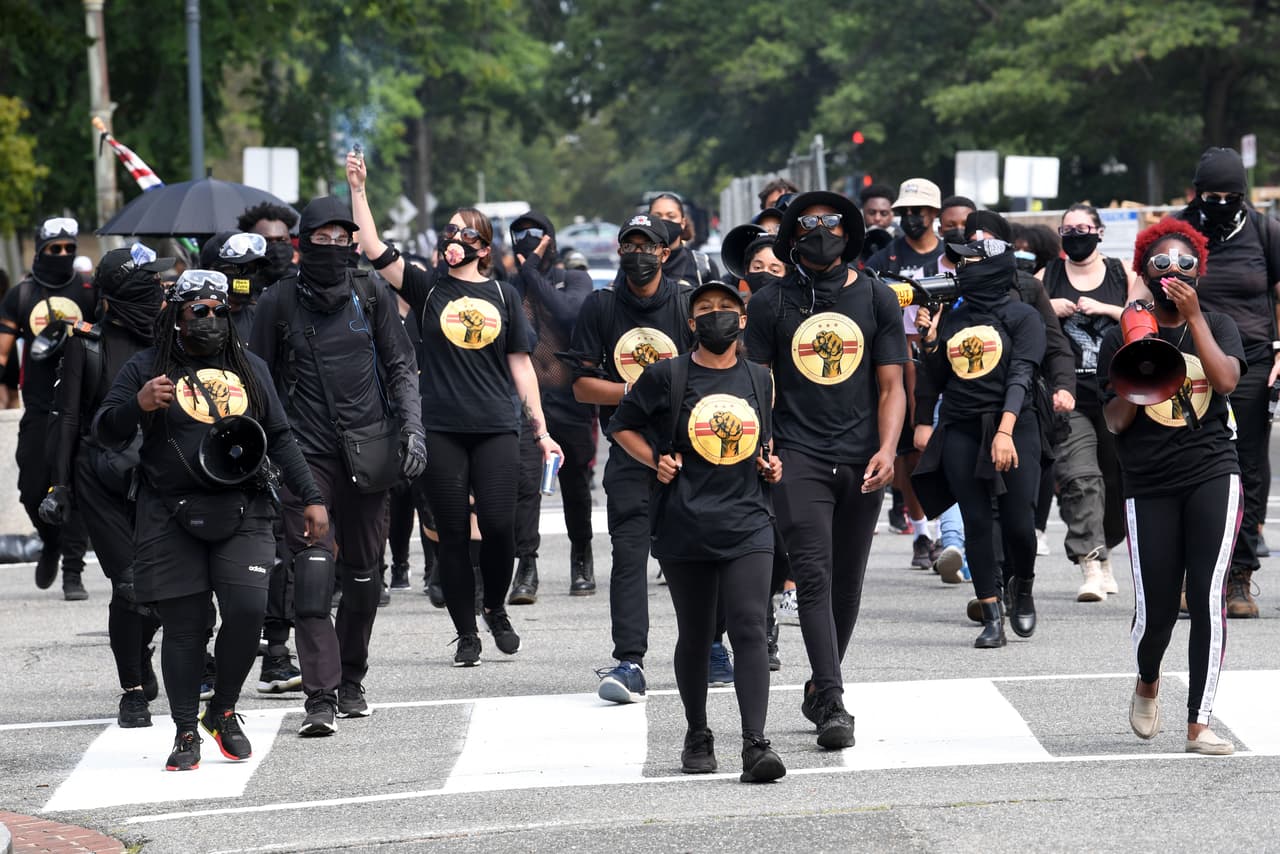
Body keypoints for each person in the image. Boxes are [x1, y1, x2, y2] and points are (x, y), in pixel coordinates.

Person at [93, 269, 329, 771]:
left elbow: (281, 437)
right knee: (186, 625)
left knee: (246, 611)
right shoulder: (145, 369)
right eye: (197, 310)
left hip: (243, 507)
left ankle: (222, 710)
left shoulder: (250, 368)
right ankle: (184, 730)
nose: (209, 319)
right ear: (176, 317)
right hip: (168, 512)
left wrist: (311, 495)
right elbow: (104, 431)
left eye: (218, 310)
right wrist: (136, 407)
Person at [344, 152, 560, 668]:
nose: (451, 239)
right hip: (441, 428)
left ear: (483, 247)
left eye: (463, 232)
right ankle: (467, 632)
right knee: (454, 537)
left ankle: (495, 608)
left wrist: (541, 431)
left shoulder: (504, 295)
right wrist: (358, 188)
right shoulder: (427, 287)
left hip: (495, 427)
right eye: (448, 231)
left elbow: (522, 366)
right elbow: (372, 247)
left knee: (501, 527)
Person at [251, 194, 425, 733]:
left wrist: (413, 429)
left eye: (341, 238)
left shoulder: (370, 292)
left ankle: (352, 680)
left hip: (370, 453)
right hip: (305, 459)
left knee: (364, 577)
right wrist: (267, 459)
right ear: (304, 245)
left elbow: (400, 366)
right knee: (312, 574)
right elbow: (259, 383)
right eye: (321, 238)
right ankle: (319, 698)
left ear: (353, 243)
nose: (332, 248)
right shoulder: (278, 302)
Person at [746, 190, 907, 748]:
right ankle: (835, 704)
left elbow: (892, 385)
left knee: (847, 583)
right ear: (792, 237)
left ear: (850, 232)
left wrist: (888, 450)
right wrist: (766, 446)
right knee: (813, 573)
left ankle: (819, 681)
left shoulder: (877, 297)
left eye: (832, 222)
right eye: (809, 224)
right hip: (799, 456)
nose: (822, 230)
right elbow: (757, 384)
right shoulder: (770, 304)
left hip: (863, 456)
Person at [609, 279, 786, 782]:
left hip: (749, 519)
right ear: (691, 324)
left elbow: (768, 441)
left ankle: (756, 742)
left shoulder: (760, 379)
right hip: (686, 521)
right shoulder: (667, 375)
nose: (716, 316)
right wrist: (655, 461)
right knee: (698, 631)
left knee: (751, 625)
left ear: (743, 320)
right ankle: (698, 732)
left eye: (726, 309)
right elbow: (620, 424)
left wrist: (774, 467)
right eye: (705, 310)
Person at [1096, 217, 1244, 755]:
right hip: (1148, 482)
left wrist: (1194, 318)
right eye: (1162, 263)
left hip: (1212, 471)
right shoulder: (1125, 330)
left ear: (1200, 272)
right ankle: (1147, 679)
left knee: (1206, 597)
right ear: (1144, 270)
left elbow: (1225, 381)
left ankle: (1198, 724)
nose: (1175, 270)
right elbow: (1114, 421)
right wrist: (1138, 359)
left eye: (1186, 264)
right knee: (1157, 610)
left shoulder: (1219, 323)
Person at [567, 214, 696, 704]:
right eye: (629, 246)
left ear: (666, 252)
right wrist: (639, 390)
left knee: (700, 554)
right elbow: (580, 386)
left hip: (687, 452)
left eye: (648, 246)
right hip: (625, 449)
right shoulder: (600, 306)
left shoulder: (686, 302)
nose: (638, 254)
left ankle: (711, 644)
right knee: (629, 557)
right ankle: (630, 662)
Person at [42, 244, 170, 726]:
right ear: (120, 294)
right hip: (100, 477)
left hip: (157, 478)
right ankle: (132, 688)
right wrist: (59, 487)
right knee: (130, 585)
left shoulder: (169, 338)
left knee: (161, 588)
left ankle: (143, 647)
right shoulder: (87, 342)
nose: (158, 291)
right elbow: (67, 417)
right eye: (148, 284)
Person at [912, 227, 1045, 648]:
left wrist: (1005, 431)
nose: (957, 269)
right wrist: (930, 342)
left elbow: (1022, 375)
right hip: (961, 426)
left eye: (967, 263)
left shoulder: (1023, 316)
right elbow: (935, 379)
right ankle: (991, 613)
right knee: (976, 522)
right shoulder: (951, 315)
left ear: (993, 268)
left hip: (1014, 425)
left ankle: (1020, 588)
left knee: (1020, 523)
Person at [1175, 147, 1280, 618]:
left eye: (1230, 195)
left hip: (1253, 361)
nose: (1220, 202)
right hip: (1189, 361)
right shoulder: (1176, 231)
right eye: (1210, 194)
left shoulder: (1263, 231)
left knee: (1247, 466)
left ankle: (1239, 578)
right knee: (1185, 465)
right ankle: (1188, 575)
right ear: (1196, 192)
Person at [1041, 204, 1140, 601]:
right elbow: (1022, 316)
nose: (1076, 234)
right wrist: (1049, 307)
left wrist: (1105, 309)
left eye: (1083, 227)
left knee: (1116, 482)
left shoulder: (1121, 273)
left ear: (1099, 232)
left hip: (1119, 395)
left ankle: (1106, 547)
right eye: (1068, 229)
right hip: (1068, 398)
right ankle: (1091, 563)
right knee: (1081, 477)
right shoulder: (1047, 277)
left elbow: (1141, 320)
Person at [0, 217, 96, 598]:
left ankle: (73, 572)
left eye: (69, 249)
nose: (63, 255)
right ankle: (50, 541)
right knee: (31, 487)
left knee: (76, 485)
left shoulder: (88, 291)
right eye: (55, 249)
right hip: (38, 408)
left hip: (80, 405)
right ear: (40, 250)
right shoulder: (20, 296)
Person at [506, 211, 598, 603]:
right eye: (520, 233)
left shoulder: (574, 279)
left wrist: (531, 274)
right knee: (525, 486)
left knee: (575, 485)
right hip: (527, 408)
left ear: (551, 239)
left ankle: (582, 556)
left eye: (536, 233)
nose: (528, 239)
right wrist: (521, 276)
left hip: (570, 402)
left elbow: (568, 315)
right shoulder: (507, 287)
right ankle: (526, 565)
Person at [865, 179, 946, 569]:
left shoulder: (952, 257)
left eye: (919, 212)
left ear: (934, 214)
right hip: (902, 363)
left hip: (951, 363)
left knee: (952, 449)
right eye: (906, 213)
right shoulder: (885, 261)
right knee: (911, 452)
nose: (912, 218)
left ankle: (953, 532)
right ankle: (921, 533)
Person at [199, 231, 270, 341]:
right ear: (211, 271)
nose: (246, 277)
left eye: (252, 269)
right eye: (237, 268)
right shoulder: (195, 317)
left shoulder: (260, 318)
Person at [648, 193, 721, 285]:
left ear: (683, 223)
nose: (663, 221)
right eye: (657, 216)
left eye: (671, 216)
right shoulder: (637, 262)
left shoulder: (702, 265)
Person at [237, 202, 299, 287]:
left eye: (282, 240)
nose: (276, 248)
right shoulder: (239, 283)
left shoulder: (303, 283)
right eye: (266, 241)